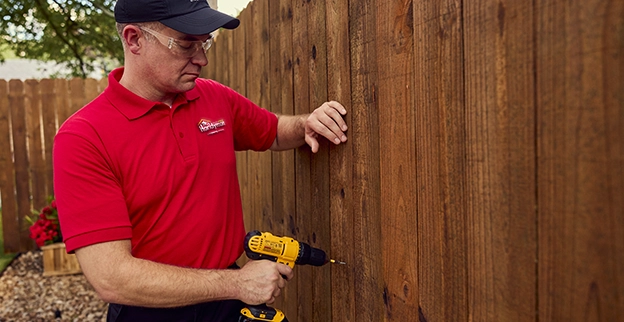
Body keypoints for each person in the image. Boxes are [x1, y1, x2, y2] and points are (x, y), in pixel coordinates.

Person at [52, 0, 348, 321]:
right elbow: (112, 277)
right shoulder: (84, 137)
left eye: (204, 42)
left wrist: (307, 124)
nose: (202, 59)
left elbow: (274, 132)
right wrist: (236, 283)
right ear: (134, 38)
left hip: (228, 302)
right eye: (185, 44)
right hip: (151, 311)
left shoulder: (213, 97)